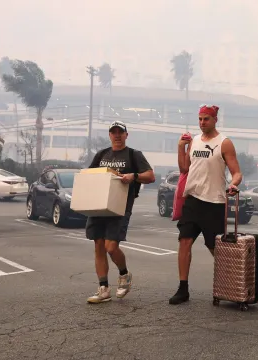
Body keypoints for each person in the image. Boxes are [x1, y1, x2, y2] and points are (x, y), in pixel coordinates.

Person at [169, 105, 242, 305]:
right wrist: (180, 147)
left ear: (215, 119)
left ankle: (233, 286)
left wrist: (234, 184)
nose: (202, 123)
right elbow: (184, 168)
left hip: (214, 203)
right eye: (200, 119)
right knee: (184, 241)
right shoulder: (194, 142)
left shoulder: (224, 143)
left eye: (206, 119)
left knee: (215, 248)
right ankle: (183, 289)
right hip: (192, 200)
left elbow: (237, 172)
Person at [85, 120, 155, 304]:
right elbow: (90, 176)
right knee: (99, 245)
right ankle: (103, 289)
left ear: (126, 135)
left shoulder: (133, 155)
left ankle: (124, 274)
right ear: (109, 135)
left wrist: (134, 176)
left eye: (120, 132)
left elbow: (150, 175)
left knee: (111, 247)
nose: (117, 135)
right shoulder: (101, 154)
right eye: (113, 132)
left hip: (120, 206)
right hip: (99, 204)